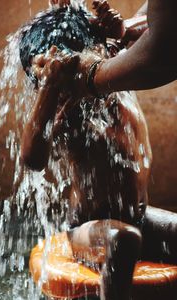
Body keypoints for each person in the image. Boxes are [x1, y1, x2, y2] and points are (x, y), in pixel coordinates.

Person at [19, 1, 177, 299]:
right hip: (89, 229)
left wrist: (121, 30)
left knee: (140, 231)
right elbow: (31, 157)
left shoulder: (114, 82)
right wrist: (48, 91)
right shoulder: (68, 114)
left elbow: (153, 43)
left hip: (141, 216)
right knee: (124, 239)